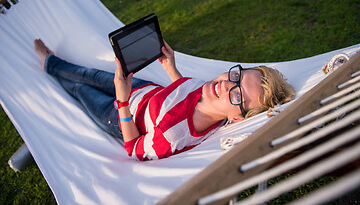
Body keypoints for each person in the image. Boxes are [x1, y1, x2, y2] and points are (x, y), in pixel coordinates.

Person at [34, 38, 294, 161]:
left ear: (236, 118)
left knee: (81, 90)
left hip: (120, 116)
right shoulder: (210, 91)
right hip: (143, 89)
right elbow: (183, 92)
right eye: (236, 76)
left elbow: (134, 148)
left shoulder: (174, 135)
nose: (226, 84)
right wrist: (171, 69)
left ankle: (49, 66)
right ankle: (54, 62)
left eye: (237, 95)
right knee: (88, 74)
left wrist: (122, 101)